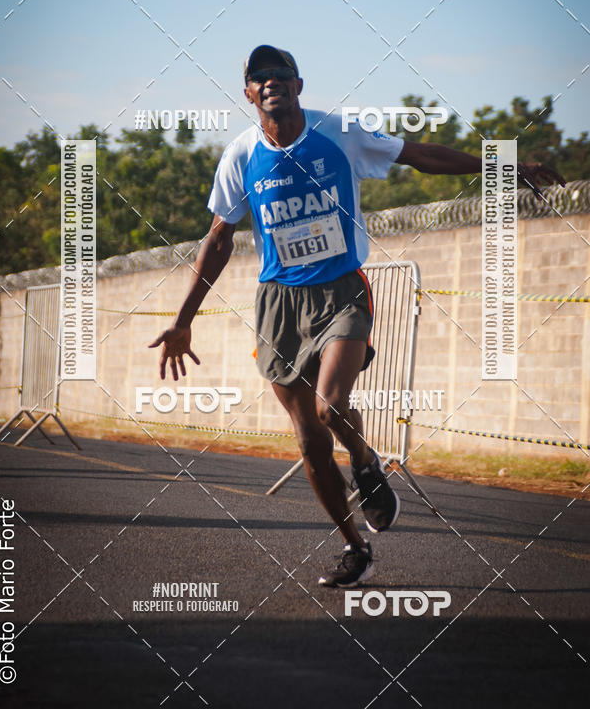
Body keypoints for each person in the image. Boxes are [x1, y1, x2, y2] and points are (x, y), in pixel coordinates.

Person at [150, 44, 564, 588]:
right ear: (248, 93)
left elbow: (419, 154)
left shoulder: (340, 133)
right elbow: (219, 238)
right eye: (259, 76)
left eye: (281, 73)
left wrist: (504, 166)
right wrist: (185, 320)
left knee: (329, 407)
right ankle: (354, 547)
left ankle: (366, 462)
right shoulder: (240, 156)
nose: (271, 80)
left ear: (298, 86)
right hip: (279, 302)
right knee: (309, 443)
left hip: (342, 289)